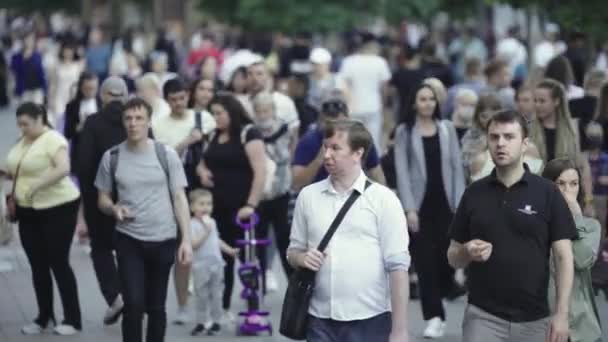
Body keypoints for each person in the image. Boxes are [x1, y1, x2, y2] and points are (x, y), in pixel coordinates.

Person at [447, 110, 577, 342]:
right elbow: (453, 257)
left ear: (525, 143)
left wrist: (562, 315)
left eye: (509, 137)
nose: (500, 143)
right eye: (494, 137)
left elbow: (564, 257)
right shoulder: (474, 193)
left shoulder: (547, 193)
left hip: (535, 320)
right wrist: (466, 251)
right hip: (483, 317)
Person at [287, 119, 410, 342]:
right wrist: (302, 258)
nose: (326, 155)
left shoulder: (384, 199)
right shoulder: (308, 196)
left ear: (357, 153)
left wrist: (399, 331)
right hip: (318, 318)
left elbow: (398, 267)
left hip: (371, 318)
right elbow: (292, 251)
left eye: (335, 148)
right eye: (325, 147)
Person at [95, 98, 193, 342]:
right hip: (129, 239)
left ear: (149, 122)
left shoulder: (165, 154)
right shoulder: (112, 156)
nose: (133, 123)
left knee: (156, 307)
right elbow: (102, 198)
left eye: (139, 118)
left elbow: (180, 198)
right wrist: (113, 208)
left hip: (164, 239)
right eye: (128, 118)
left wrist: (186, 241)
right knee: (134, 304)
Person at [394, 83, 465, 338]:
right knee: (424, 263)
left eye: (431, 99)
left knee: (446, 260)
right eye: (422, 99)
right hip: (420, 206)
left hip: (446, 204)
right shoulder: (404, 131)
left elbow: (457, 166)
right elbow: (401, 170)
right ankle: (434, 316)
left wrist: (459, 203)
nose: (427, 104)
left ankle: (444, 293)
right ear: (414, 103)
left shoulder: (447, 129)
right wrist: (409, 208)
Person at [7, 102, 82, 335]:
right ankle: (44, 316)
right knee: (37, 264)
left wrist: (37, 185)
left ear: (40, 118)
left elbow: (63, 168)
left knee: (58, 262)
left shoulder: (53, 139)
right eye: (19, 124)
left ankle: (72, 318)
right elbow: (12, 167)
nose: (22, 129)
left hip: (58, 207)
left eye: (26, 124)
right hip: (28, 210)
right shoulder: (23, 141)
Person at [196, 92, 266, 322]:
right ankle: (221, 308)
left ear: (231, 112)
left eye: (219, 113)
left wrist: (251, 204)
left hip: (242, 209)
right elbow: (203, 161)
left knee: (248, 261)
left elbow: (260, 172)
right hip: (217, 209)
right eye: (213, 113)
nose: (215, 117)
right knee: (220, 260)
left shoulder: (249, 133)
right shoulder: (214, 135)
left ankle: (253, 310)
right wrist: (202, 171)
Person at [151, 77, 215, 324]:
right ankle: (182, 305)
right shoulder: (158, 125)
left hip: (203, 191)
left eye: (182, 98)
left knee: (208, 249)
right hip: (174, 190)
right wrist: (187, 142)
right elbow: (161, 161)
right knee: (182, 250)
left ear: (188, 96)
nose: (179, 103)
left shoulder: (204, 119)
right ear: (167, 100)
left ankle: (210, 305)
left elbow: (213, 152)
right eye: (173, 99)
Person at [76, 76, 129, 326]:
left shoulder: (94, 122)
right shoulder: (137, 120)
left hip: (100, 196)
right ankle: (134, 296)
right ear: (126, 96)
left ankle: (115, 295)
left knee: (101, 248)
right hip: (134, 197)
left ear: (104, 95)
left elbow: (83, 164)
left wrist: (88, 198)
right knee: (130, 248)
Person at [542, 158, 603, 342]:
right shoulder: (537, 225)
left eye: (573, 184)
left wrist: (576, 217)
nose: (567, 190)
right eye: (560, 183)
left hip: (583, 328)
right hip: (545, 325)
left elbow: (582, 259)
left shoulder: (591, 226)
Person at [252, 92, 298, 286]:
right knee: (259, 241)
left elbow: (288, 151)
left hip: (281, 190)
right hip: (260, 194)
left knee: (284, 239)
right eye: (259, 111)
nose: (263, 114)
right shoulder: (251, 131)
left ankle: (294, 285)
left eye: (267, 110)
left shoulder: (284, 128)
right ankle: (259, 286)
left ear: (273, 110)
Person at [291, 98, 386, 192]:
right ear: (319, 122)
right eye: (328, 123)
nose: (333, 128)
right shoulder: (309, 141)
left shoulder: (360, 139)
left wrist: (382, 199)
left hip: (353, 196)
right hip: (318, 196)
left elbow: (377, 175)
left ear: (348, 120)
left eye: (339, 123)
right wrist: (318, 160)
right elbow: (296, 184)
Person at [188, 189, 239, 336]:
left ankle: (216, 321)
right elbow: (194, 244)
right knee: (201, 296)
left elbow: (216, 240)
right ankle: (201, 322)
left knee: (216, 294)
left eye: (209, 204)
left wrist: (229, 250)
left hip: (216, 264)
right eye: (201, 204)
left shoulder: (212, 222)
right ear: (192, 207)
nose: (205, 208)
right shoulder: (192, 224)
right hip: (200, 266)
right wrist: (206, 231)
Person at [339, 33, 391, 151]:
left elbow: (343, 87)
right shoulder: (380, 62)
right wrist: (384, 106)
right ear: (372, 45)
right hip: (374, 107)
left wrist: (347, 106)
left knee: (353, 144)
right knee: (373, 143)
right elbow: (384, 88)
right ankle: (373, 167)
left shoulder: (348, 61)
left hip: (353, 108)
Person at [64, 71, 100, 171]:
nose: (90, 92)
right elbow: (67, 133)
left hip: (98, 152)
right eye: (87, 89)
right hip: (80, 151)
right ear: (81, 88)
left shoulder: (102, 103)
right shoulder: (72, 106)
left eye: (93, 89)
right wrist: (81, 125)